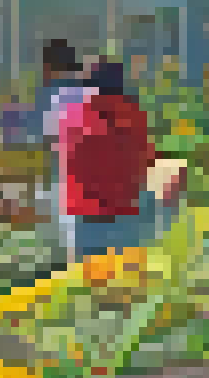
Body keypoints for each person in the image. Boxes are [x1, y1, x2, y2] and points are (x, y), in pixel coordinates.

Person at [56, 55, 159, 264]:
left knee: (88, 280)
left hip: (87, 211)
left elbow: (68, 162)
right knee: (126, 277)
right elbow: (146, 160)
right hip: (124, 208)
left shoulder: (75, 115)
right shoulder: (136, 115)